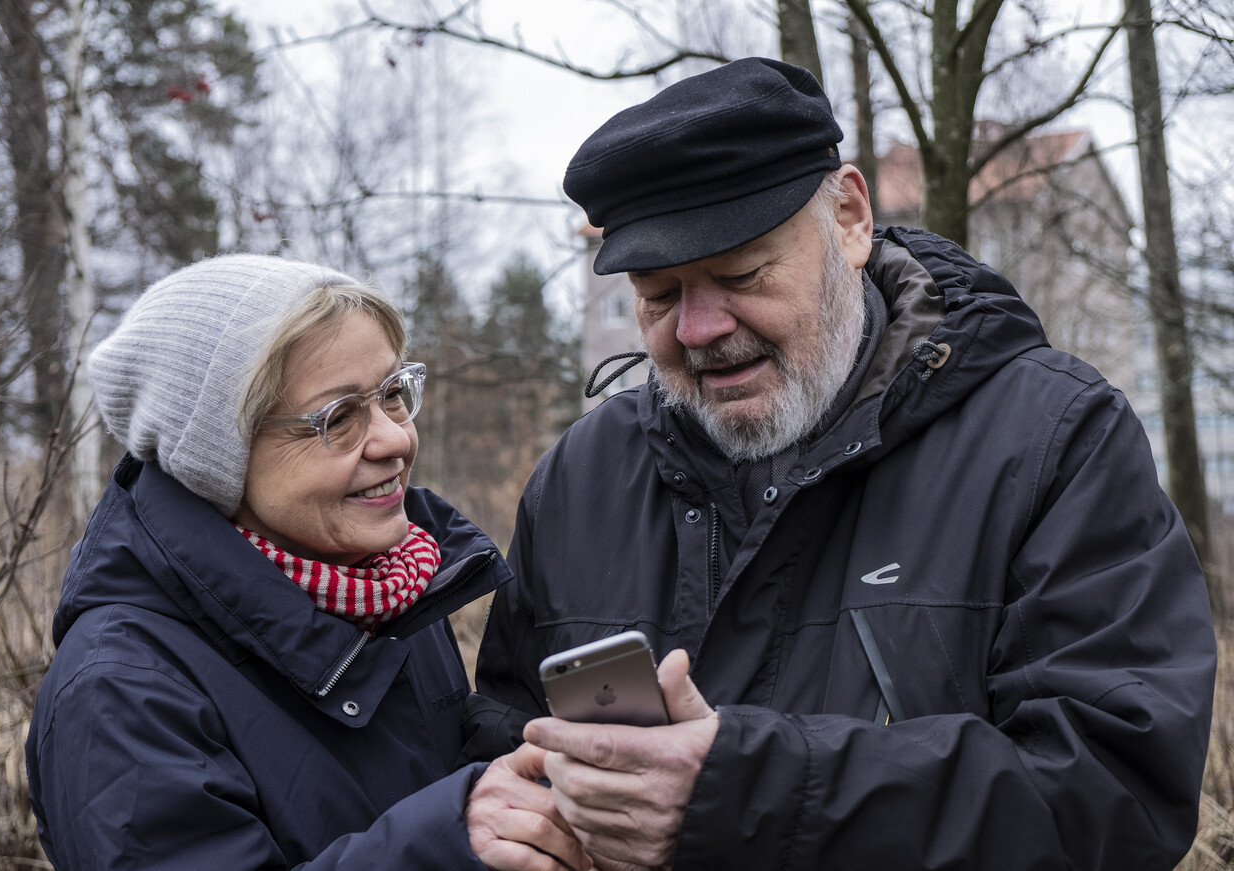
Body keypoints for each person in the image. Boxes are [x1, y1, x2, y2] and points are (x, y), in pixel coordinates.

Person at [470, 57, 1218, 870]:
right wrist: (493, 806)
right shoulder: (579, 480)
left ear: (852, 219)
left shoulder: (1053, 441)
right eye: (657, 294)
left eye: (739, 273)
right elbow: (503, 739)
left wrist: (758, 798)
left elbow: (1115, 796)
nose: (696, 328)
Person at [25, 254, 588, 871]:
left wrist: (546, 765)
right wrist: (453, 839)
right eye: (338, 418)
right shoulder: (121, 691)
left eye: (393, 394)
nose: (396, 440)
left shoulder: (389, 582)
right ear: (215, 457)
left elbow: (408, 776)